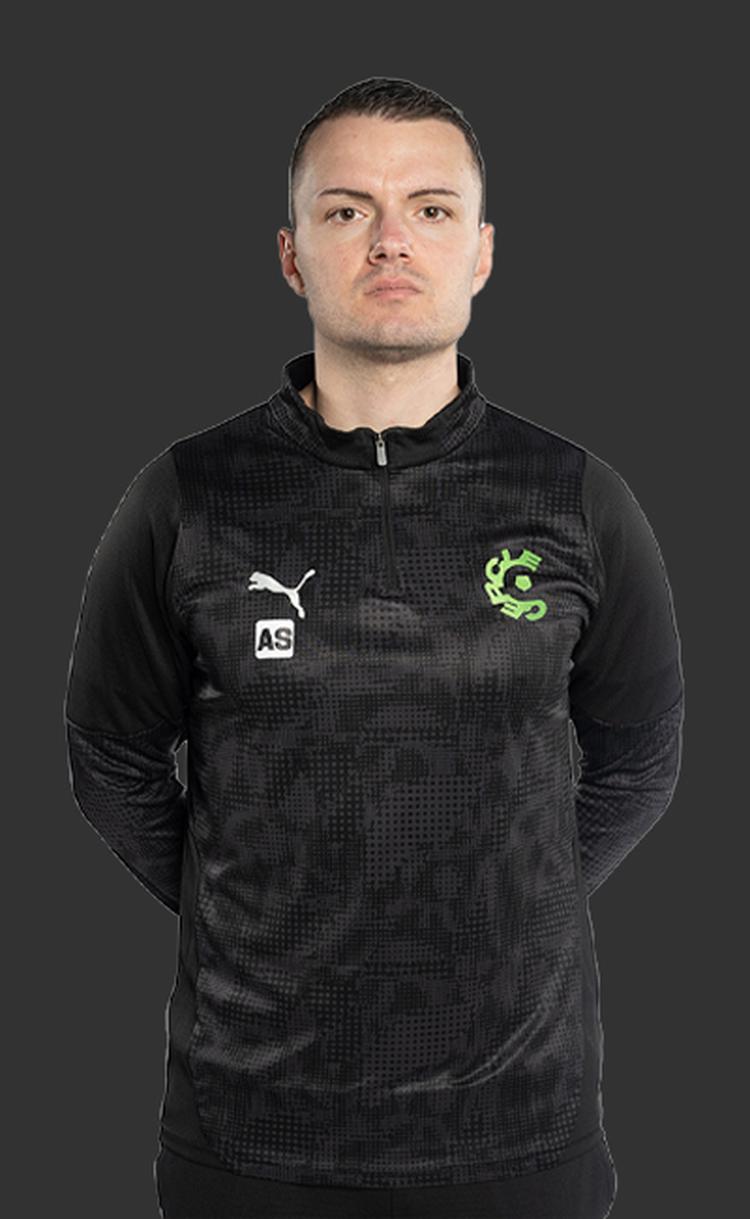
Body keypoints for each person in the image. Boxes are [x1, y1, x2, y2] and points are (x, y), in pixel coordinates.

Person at [63, 76, 684, 1219]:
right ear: (292, 255)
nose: (391, 238)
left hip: (520, 1130)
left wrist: (510, 904)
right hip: (251, 1130)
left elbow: (641, 758)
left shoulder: (576, 496)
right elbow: (109, 759)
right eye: (346, 209)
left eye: (431, 209)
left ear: (481, 252)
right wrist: (250, 910)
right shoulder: (189, 495)